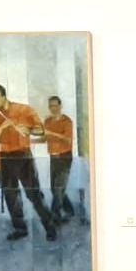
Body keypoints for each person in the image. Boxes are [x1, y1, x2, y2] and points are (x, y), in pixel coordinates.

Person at [0, 84, 56, 242]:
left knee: (33, 194)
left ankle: (50, 228)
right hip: (5, 157)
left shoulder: (24, 110)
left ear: (4, 97)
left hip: (23, 155)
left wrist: (28, 130)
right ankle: (20, 229)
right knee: (11, 195)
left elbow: (41, 130)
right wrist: (2, 127)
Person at [42, 95, 76, 224]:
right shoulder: (47, 122)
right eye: (51, 106)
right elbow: (45, 138)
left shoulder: (67, 121)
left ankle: (54, 217)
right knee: (55, 188)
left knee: (58, 189)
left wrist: (51, 133)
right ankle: (70, 210)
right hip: (53, 158)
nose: (53, 108)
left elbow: (67, 140)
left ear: (60, 106)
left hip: (64, 157)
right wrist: (30, 141)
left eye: (55, 106)